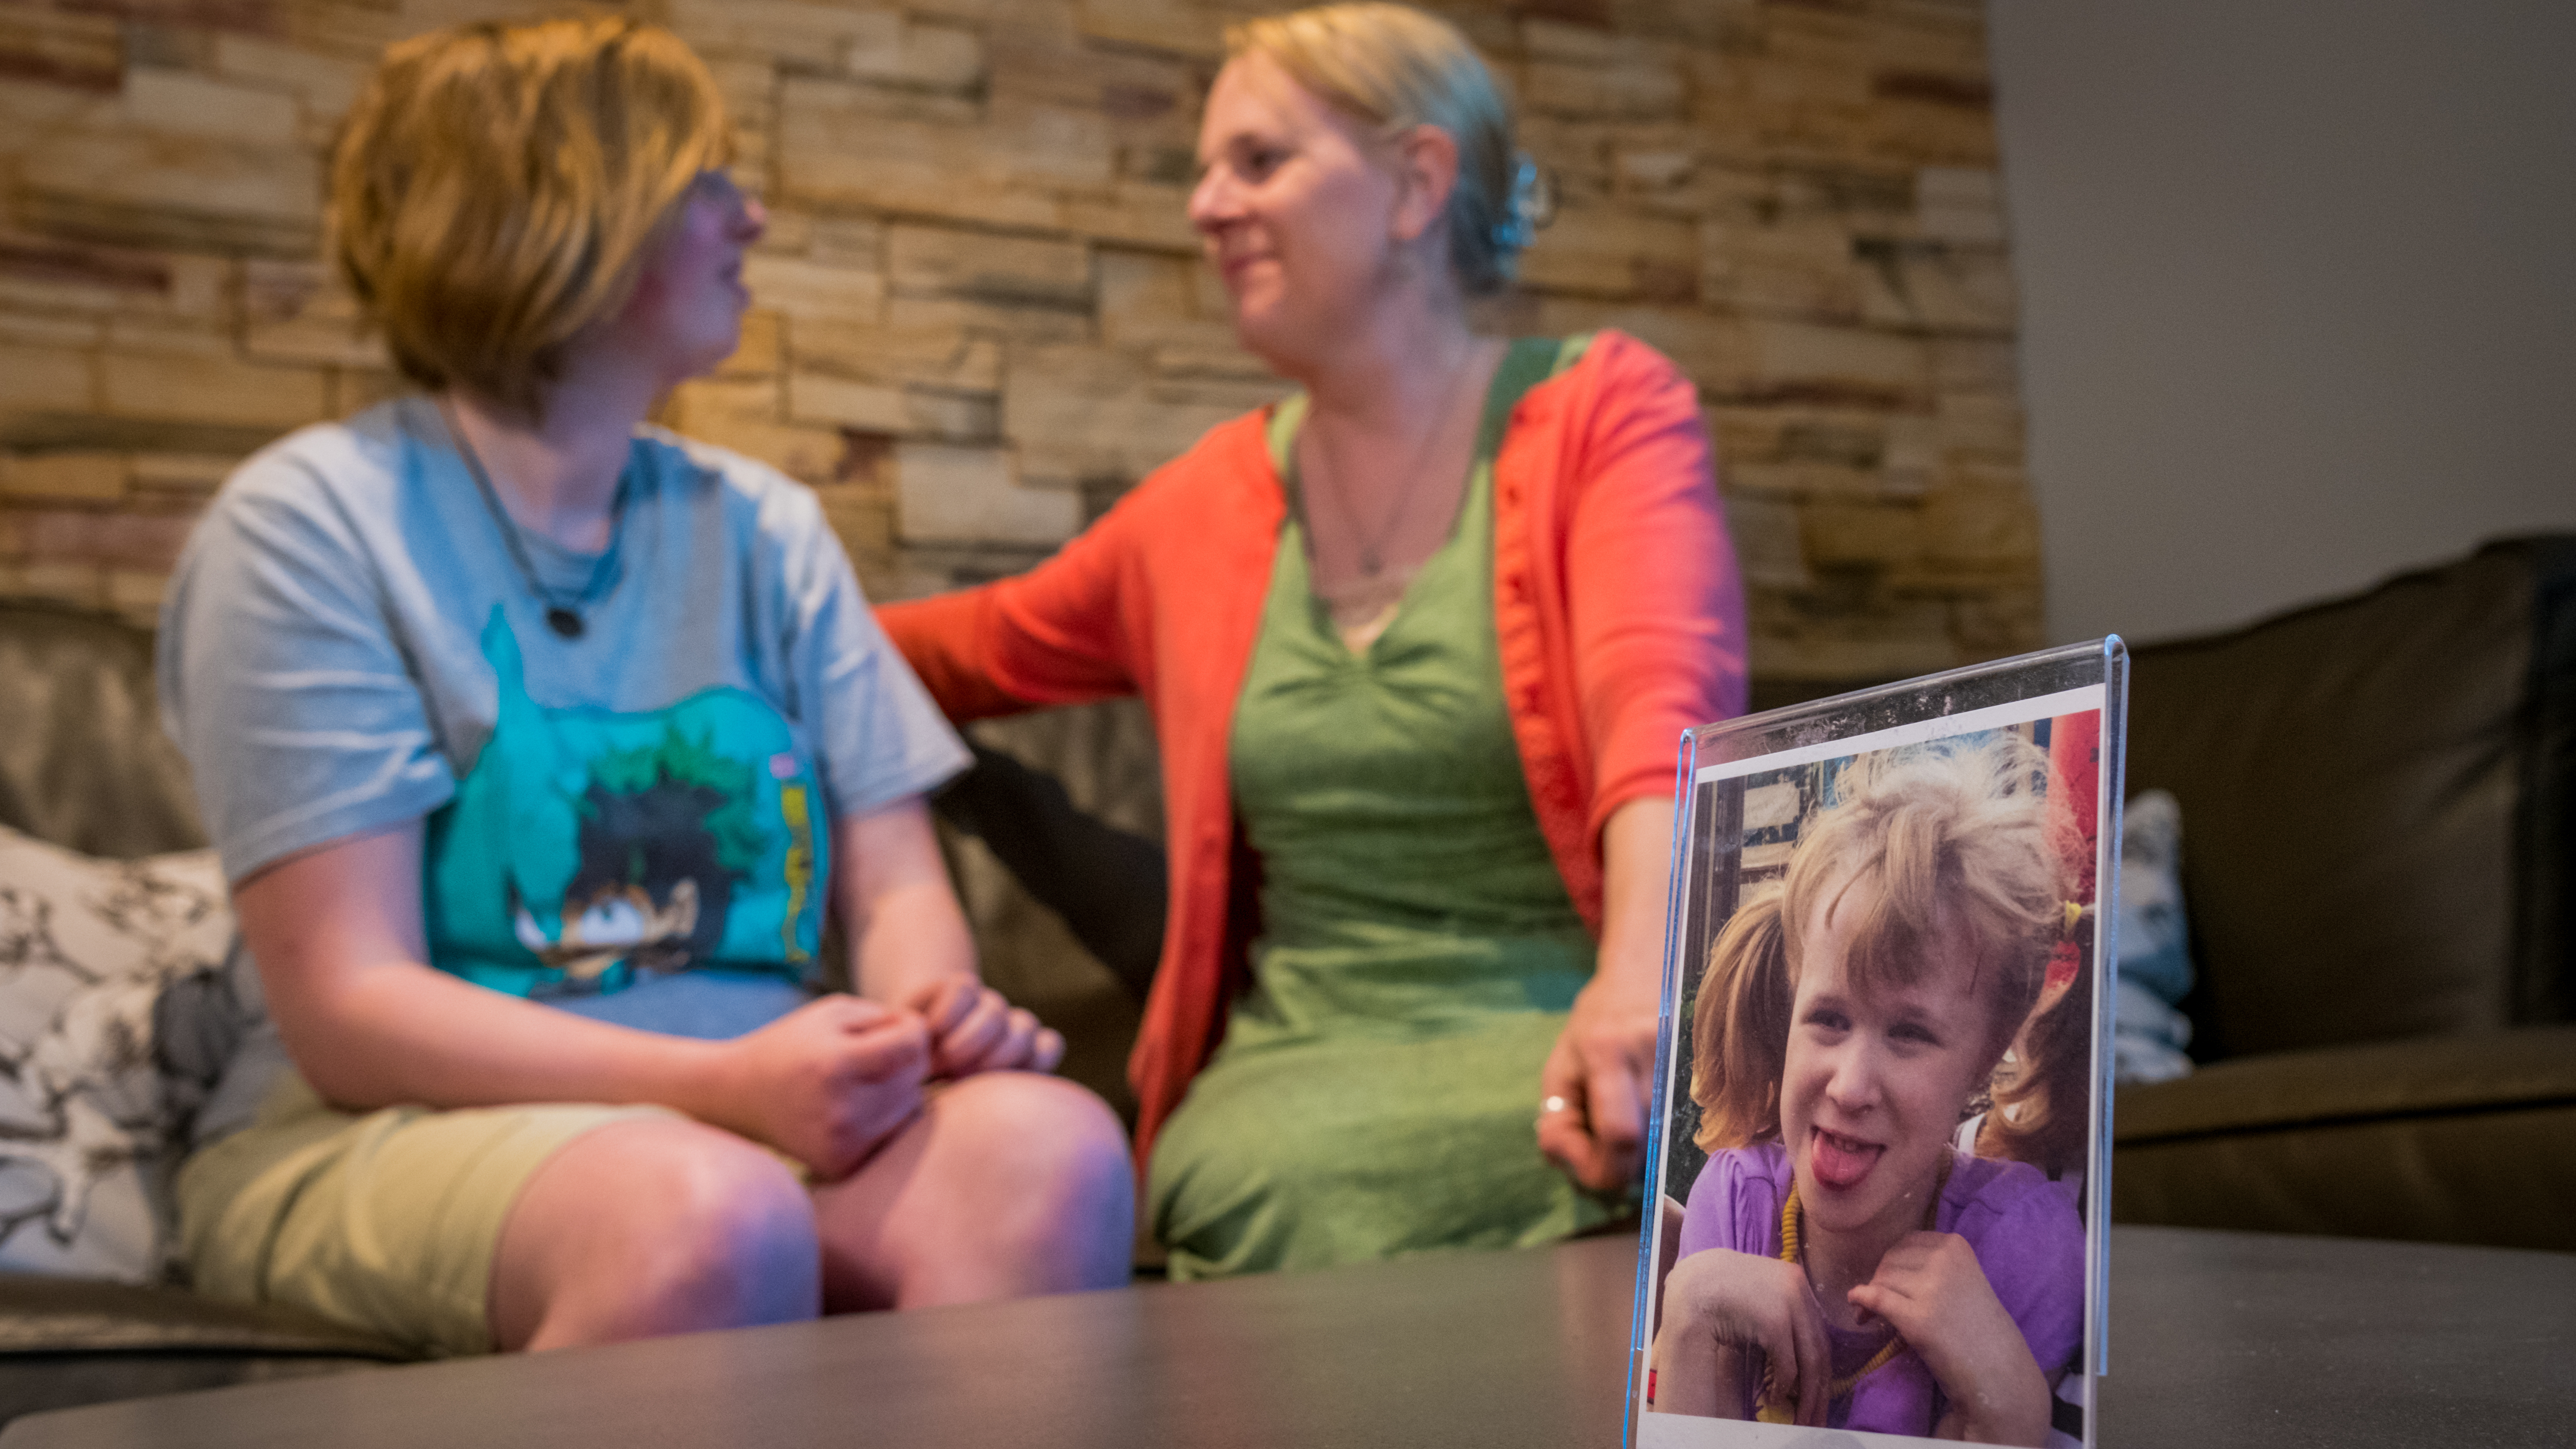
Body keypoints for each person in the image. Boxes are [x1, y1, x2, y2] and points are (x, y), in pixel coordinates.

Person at [155, 16, 1131, 1357]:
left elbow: (899, 885)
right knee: (701, 1217)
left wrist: (922, 1023)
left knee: (1050, 1149)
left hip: (755, 1118)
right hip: (390, 1136)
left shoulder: (766, 527)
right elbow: (352, 1013)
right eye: (710, 181)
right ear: (571, 215)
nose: (756, 218)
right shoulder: (312, 527)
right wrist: (724, 1087)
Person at [882, 1, 1745, 1278]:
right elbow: (954, 649)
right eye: (1201, 169)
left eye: (1257, 160)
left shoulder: (1602, 412)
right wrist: (729, 587)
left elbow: (1657, 713)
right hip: (1281, 1106)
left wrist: (1636, 997)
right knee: (1260, 1184)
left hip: (1572, 1053)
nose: (1204, 205)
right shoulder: (1198, 510)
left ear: (1415, 184)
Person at [1651, 743, 2082, 1446]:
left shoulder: (2024, 1247)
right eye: (1828, 1018)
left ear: (1984, 1059)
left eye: (1910, 1033)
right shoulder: (1734, 1205)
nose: (1849, 1087)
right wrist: (1693, 1311)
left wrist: (2007, 1406)